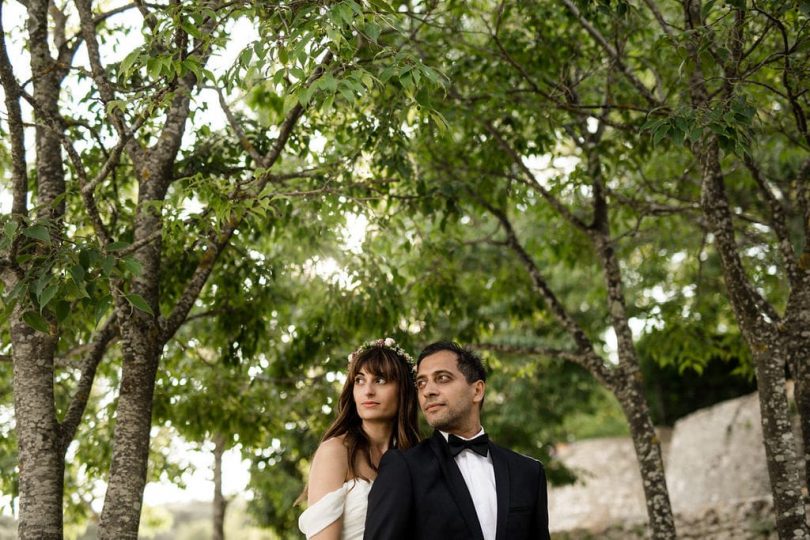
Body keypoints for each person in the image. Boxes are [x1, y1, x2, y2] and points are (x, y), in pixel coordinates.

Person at [364, 341, 550, 540]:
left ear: (477, 391)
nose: (428, 391)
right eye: (421, 383)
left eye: (442, 378)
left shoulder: (529, 472)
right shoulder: (402, 468)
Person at [298, 338, 421, 540]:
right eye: (360, 380)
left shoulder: (418, 457)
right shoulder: (336, 452)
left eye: (380, 380)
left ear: (404, 389)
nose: (368, 390)